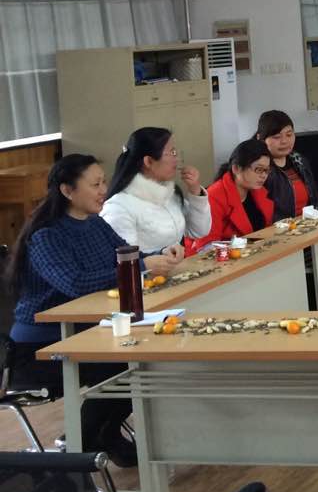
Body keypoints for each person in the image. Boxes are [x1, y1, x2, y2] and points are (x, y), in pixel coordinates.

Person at [6, 155, 184, 467]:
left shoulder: (95, 223)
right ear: (67, 190)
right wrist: (143, 265)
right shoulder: (45, 235)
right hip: (39, 348)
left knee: (138, 357)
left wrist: (159, 255)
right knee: (122, 363)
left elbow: (127, 256)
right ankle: (80, 446)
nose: (104, 190)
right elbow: (74, 283)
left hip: (84, 333)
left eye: (103, 182)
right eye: (95, 184)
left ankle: (103, 434)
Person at [102, 126, 211, 255]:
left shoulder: (170, 194)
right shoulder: (119, 207)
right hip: (154, 269)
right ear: (148, 161)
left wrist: (195, 191)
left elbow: (199, 231)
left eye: (175, 153)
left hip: (176, 266)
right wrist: (162, 256)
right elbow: (127, 259)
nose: (176, 159)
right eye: (172, 153)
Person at [192, 138, 273, 251]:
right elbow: (206, 247)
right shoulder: (214, 196)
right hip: (221, 258)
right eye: (259, 169)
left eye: (266, 170)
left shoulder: (258, 190)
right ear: (236, 168)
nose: (264, 175)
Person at [255, 110, 318, 219]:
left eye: (289, 135)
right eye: (277, 137)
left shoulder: (300, 161)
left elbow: (316, 196)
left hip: (307, 223)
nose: (284, 141)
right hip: (281, 227)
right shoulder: (259, 170)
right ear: (261, 139)